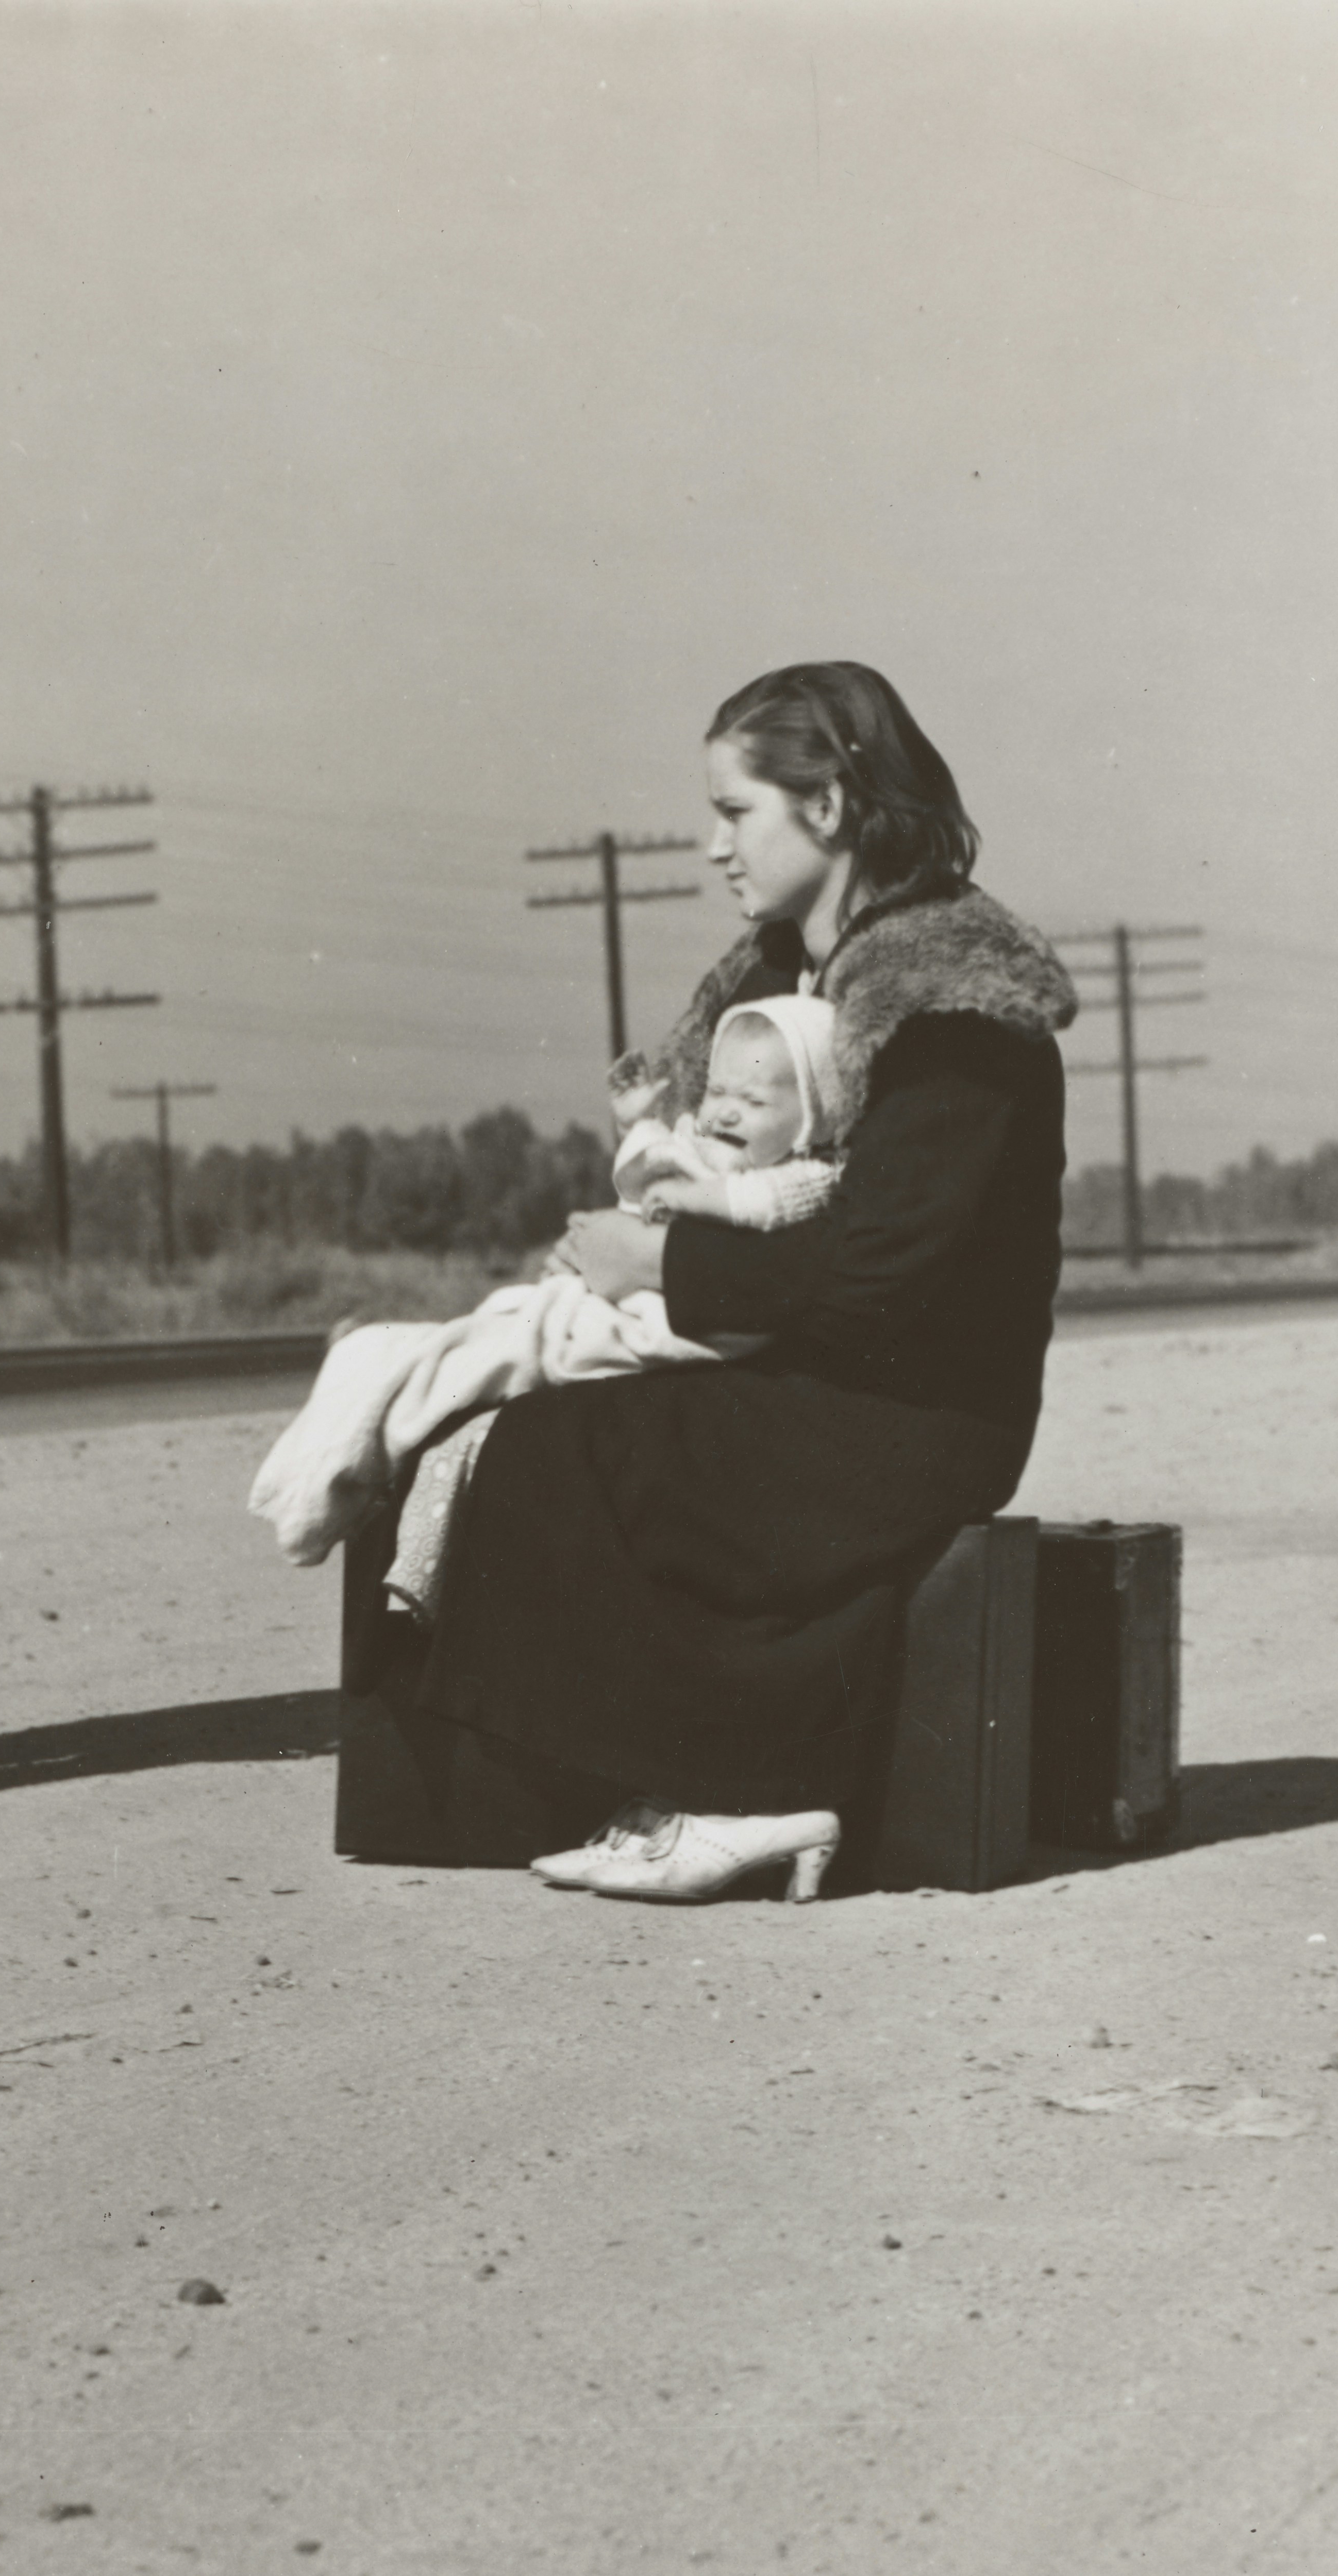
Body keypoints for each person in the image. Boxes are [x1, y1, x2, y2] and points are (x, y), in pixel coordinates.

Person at [400, 660, 1082, 1905]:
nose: (713, 845)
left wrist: (654, 1259)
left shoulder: (949, 1005)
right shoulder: (799, 984)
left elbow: (883, 1265)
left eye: (735, 810)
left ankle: (746, 1788)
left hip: (916, 1414)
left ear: (825, 804)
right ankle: (680, 1778)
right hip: (813, 1375)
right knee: (515, 1430)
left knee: (573, 1454)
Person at [245, 995, 841, 1570]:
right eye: (717, 1091)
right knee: (468, 1342)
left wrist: (684, 1193)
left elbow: (750, 1200)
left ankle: (327, 1478)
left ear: (811, 1117)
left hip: (637, 1331)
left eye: (755, 1101)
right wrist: (641, 1124)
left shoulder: (792, 1180)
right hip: (610, 1305)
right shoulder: (712, 1149)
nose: (725, 1111)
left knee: (466, 1363)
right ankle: (364, 1398)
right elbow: (657, 1163)